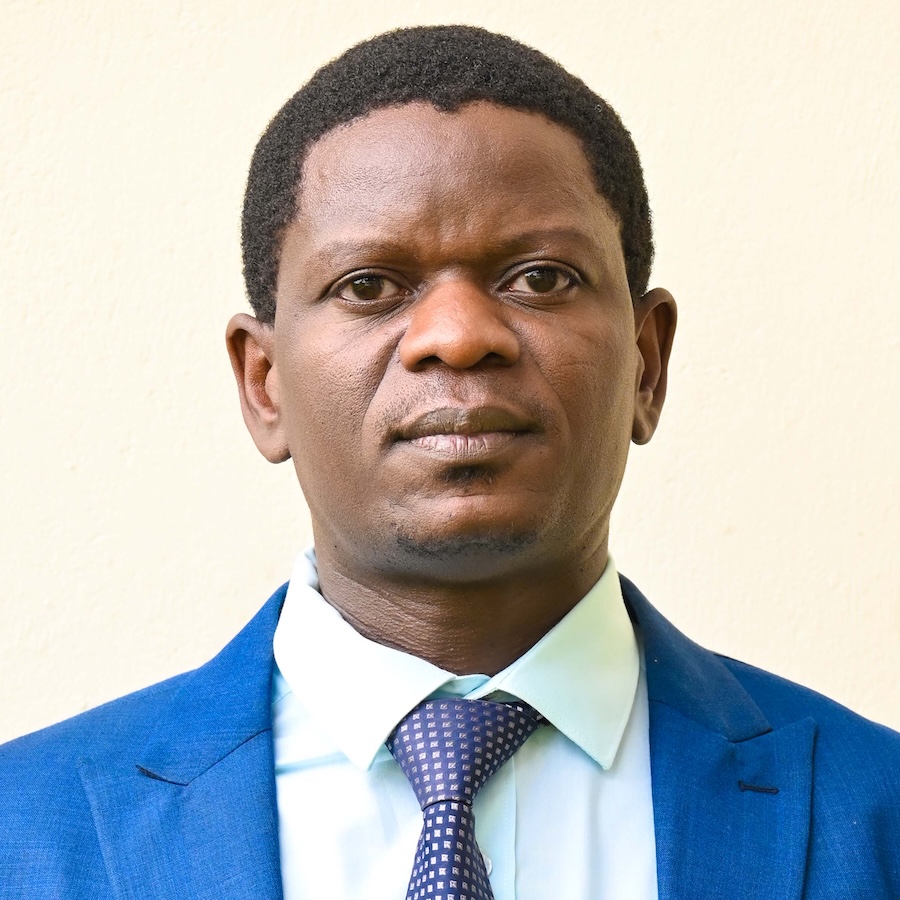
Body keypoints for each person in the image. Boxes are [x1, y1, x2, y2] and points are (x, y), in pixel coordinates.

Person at [0, 24, 897, 900]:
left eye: (540, 277)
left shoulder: (876, 811)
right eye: (369, 286)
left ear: (645, 365)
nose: (459, 336)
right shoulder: (23, 828)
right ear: (264, 384)